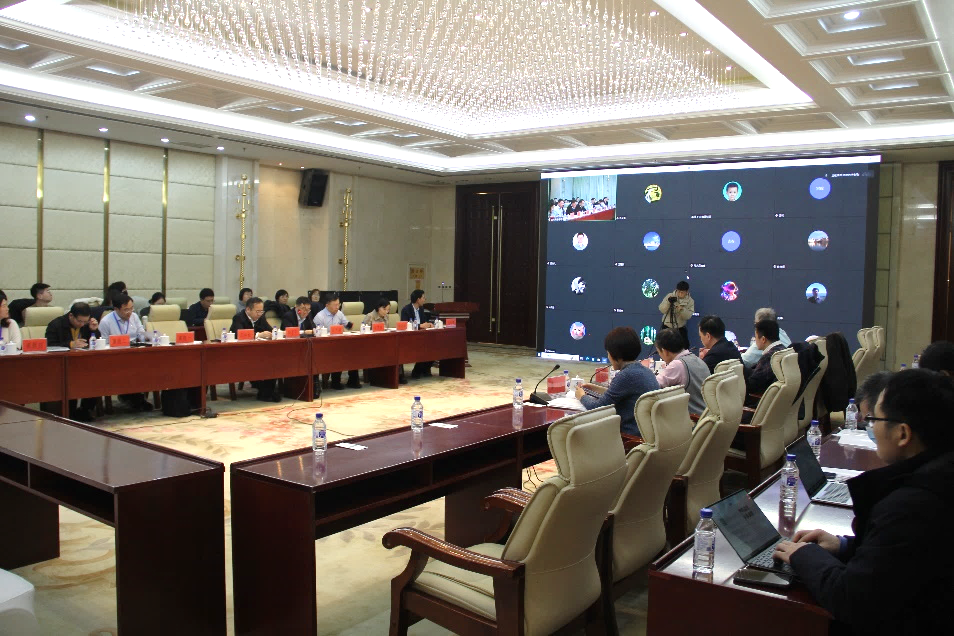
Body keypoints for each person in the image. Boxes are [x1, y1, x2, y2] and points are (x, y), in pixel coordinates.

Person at [773, 369, 954, 635]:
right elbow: (900, 559)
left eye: (873, 420)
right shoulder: (939, 475)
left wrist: (804, 556)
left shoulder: (913, 505)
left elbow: (852, 599)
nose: (870, 428)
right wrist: (845, 546)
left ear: (903, 434)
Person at [575, 326, 659, 436]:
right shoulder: (644, 371)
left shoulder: (626, 375)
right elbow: (618, 394)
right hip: (645, 433)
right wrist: (595, 388)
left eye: (608, 352)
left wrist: (581, 396)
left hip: (629, 436)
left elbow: (598, 407)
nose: (608, 356)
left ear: (616, 355)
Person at [98, 294, 153, 411]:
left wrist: (148, 337)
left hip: (134, 353)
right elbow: (104, 344)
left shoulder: (134, 316)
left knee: (148, 367)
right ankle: (132, 398)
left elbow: (140, 333)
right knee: (129, 370)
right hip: (114, 357)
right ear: (116, 309)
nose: (129, 312)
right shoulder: (106, 322)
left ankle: (135, 398)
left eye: (131, 308)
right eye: (126, 309)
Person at [44, 302, 98, 421]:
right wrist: (70, 344)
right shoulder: (55, 325)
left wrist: (94, 330)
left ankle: (85, 411)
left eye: (85, 322)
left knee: (96, 378)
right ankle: (69, 413)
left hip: (83, 364)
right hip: (62, 366)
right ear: (71, 316)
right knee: (70, 382)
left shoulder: (86, 324)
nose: (82, 324)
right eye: (79, 321)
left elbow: (95, 342)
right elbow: (49, 346)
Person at [230, 297, 280, 402]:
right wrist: (259, 335)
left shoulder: (260, 318)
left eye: (262, 311)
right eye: (257, 311)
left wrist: (275, 333)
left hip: (258, 352)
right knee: (262, 363)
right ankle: (265, 393)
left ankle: (267, 392)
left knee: (273, 361)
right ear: (248, 309)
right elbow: (239, 334)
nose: (260, 314)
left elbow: (270, 330)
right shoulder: (238, 318)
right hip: (241, 354)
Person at [653, 328, 710, 415]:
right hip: (705, 415)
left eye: (658, 352)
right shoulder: (697, 360)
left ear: (665, 351)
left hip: (692, 418)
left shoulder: (677, 365)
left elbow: (653, 385)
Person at [314, 293, 361, 389]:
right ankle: (335, 382)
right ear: (327, 305)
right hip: (325, 346)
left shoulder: (339, 313)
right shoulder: (319, 316)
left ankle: (353, 381)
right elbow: (318, 334)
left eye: (338, 304)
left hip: (339, 343)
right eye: (335, 305)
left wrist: (350, 325)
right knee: (338, 354)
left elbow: (347, 324)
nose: (337, 307)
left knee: (354, 353)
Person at [743, 319, 787, 397]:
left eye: (756, 337)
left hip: (759, 398)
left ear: (763, 339)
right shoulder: (783, 349)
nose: (755, 341)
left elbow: (752, 385)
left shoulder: (769, 357)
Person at [400, 290, 435, 379]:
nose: (424, 299)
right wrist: (420, 326)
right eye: (423, 298)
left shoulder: (421, 309)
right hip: (410, 338)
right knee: (423, 347)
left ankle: (425, 369)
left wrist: (428, 324)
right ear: (418, 299)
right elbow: (405, 325)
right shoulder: (406, 310)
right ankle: (417, 371)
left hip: (422, 336)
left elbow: (424, 322)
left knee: (434, 345)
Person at [658, 280, 693, 350]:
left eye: (682, 292)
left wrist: (682, 310)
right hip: (667, 326)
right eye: (678, 291)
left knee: (684, 347)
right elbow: (661, 309)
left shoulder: (690, 301)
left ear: (687, 292)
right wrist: (668, 303)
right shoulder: (669, 296)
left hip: (680, 328)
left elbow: (688, 316)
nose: (680, 294)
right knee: (664, 347)